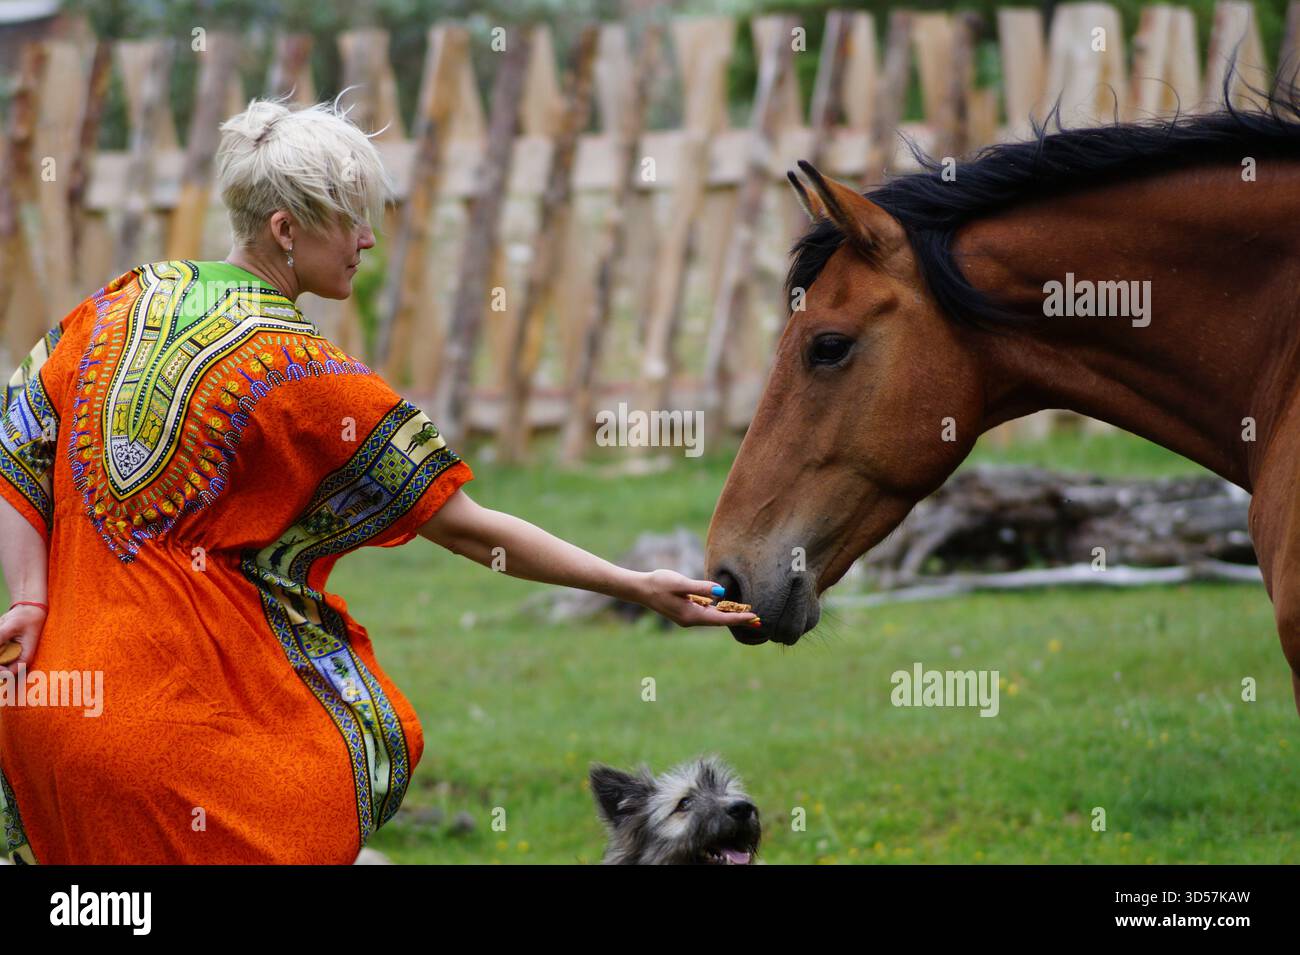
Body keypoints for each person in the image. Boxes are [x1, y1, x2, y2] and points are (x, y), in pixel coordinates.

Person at [0, 95, 758, 864]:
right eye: (349, 219)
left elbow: (15, 438)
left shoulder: (121, 302)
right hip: (179, 739)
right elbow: (469, 529)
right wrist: (635, 585)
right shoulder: (306, 374)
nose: (367, 237)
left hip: (44, 710)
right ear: (285, 230)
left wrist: (29, 597)